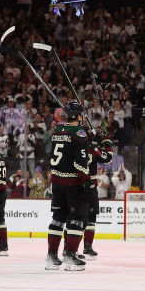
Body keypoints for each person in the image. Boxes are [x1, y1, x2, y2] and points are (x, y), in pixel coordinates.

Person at [44, 100, 91, 271]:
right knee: (77, 219)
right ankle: (70, 256)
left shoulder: (57, 130)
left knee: (58, 218)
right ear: (78, 116)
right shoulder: (79, 133)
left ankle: (51, 256)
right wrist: (87, 181)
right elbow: (81, 163)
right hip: (72, 183)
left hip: (57, 182)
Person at [82, 132, 113, 259]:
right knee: (80, 218)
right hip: (85, 186)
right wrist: (104, 143)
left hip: (84, 187)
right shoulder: (89, 149)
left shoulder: (87, 148)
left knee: (89, 218)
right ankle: (75, 248)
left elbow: (106, 157)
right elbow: (106, 157)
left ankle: (85, 246)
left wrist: (103, 143)